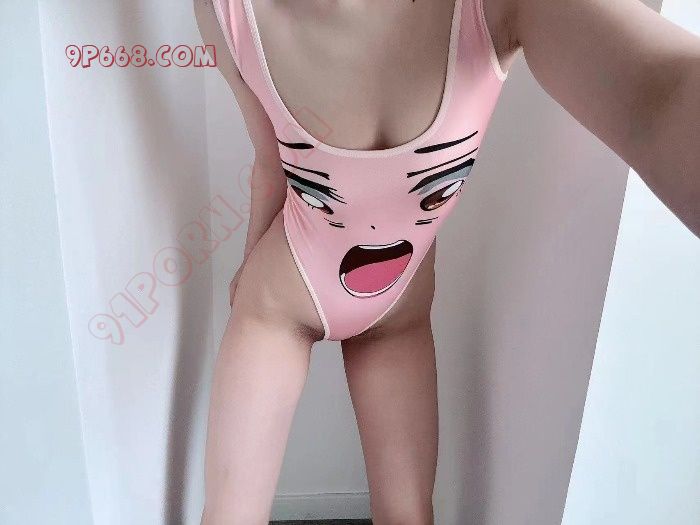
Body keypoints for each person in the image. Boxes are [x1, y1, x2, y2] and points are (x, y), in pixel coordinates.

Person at [193, 0, 699, 523]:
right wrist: (247, 271)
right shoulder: (227, 12)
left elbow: (662, 90)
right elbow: (270, 164)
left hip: (398, 318)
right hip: (276, 308)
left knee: (410, 516)